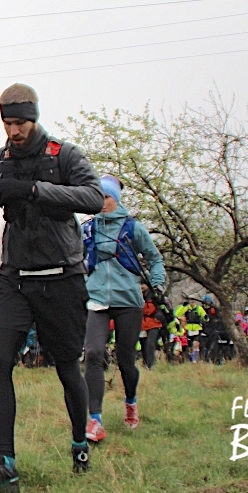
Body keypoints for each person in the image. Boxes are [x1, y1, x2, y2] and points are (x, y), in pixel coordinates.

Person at [0, 82, 104, 490]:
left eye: (20, 123)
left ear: (34, 118)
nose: (13, 131)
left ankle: (79, 444)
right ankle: (6, 464)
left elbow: (93, 197)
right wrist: (1, 195)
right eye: (7, 124)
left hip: (62, 278)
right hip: (15, 280)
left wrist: (35, 192)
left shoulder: (63, 155)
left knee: (67, 367)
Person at [82, 175, 165, 442]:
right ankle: (95, 419)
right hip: (96, 299)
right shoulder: (88, 229)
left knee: (126, 359)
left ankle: (130, 401)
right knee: (94, 354)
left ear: (116, 199)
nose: (102, 202)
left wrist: (157, 284)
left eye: (106, 197)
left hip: (128, 301)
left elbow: (154, 259)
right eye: (98, 197)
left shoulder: (133, 228)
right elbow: (73, 257)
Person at [140, 283, 165, 369]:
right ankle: (145, 363)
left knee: (150, 343)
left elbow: (162, 306)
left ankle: (151, 365)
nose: (141, 286)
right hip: (142, 324)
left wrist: (159, 316)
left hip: (154, 322)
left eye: (142, 284)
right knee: (143, 344)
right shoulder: (137, 295)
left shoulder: (155, 294)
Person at [174, 299, 207, 363]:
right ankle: (190, 358)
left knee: (196, 344)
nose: (192, 303)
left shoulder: (199, 308)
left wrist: (205, 318)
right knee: (190, 346)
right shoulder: (186, 308)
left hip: (197, 328)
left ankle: (195, 359)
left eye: (193, 302)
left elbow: (205, 317)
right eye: (191, 302)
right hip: (188, 329)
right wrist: (183, 306)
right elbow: (177, 314)